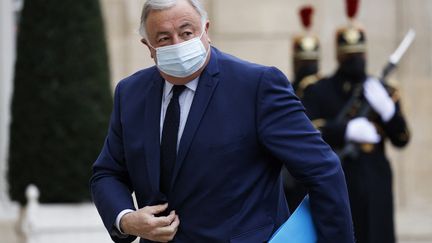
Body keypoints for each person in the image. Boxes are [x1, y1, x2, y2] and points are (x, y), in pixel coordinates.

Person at [90, 0, 354, 242]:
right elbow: (108, 172)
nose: (178, 44)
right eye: (163, 38)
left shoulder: (256, 86)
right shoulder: (131, 93)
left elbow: (323, 171)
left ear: (206, 29)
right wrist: (125, 219)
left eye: (186, 32)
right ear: (149, 47)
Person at [302, 0, 410, 242]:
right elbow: (308, 130)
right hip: (340, 177)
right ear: (339, 56)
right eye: (350, 56)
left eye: (359, 54)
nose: (356, 60)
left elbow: (402, 138)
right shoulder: (319, 90)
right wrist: (345, 129)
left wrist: (388, 112)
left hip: (376, 181)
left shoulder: (383, 91)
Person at [281, 5, 321, 211]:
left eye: (312, 61)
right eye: (303, 61)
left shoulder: (324, 88)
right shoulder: (287, 87)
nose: (308, 66)